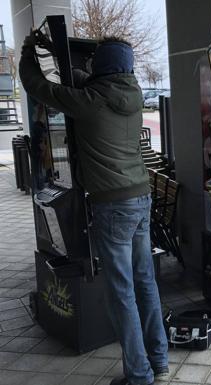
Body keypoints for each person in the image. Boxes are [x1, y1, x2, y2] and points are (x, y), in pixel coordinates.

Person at [19, 32, 169, 385]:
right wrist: (56, 50)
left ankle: (139, 375)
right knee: (145, 281)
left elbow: (38, 86)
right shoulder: (130, 93)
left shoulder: (89, 101)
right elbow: (86, 79)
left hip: (113, 204)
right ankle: (159, 361)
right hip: (140, 197)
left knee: (121, 292)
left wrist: (29, 51)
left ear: (101, 66)